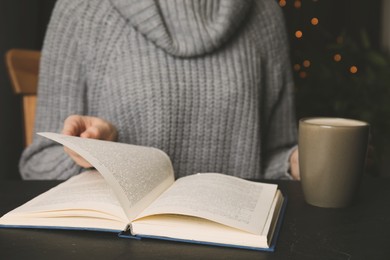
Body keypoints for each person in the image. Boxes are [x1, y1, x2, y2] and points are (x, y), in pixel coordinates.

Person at [19, 0, 300, 180]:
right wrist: (92, 153)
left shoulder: (264, 12)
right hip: (117, 244)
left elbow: (270, 160)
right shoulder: (83, 9)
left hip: (239, 241)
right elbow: (38, 166)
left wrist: (295, 165)